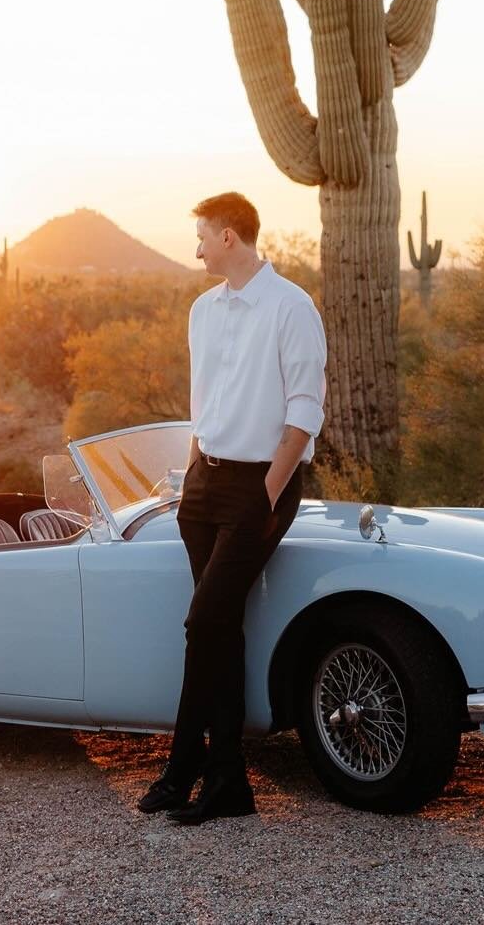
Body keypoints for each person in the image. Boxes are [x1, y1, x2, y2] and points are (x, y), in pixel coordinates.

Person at [138, 192, 327, 825]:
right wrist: (195, 467)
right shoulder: (201, 311)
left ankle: (190, 766)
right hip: (204, 486)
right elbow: (206, 405)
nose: (193, 248)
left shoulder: (291, 307)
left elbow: (304, 411)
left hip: (259, 488)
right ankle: (217, 780)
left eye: (200, 236)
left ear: (228, 237)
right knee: (219, 630)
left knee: (204, 623)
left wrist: (266, 494)